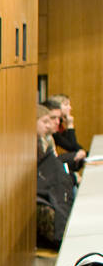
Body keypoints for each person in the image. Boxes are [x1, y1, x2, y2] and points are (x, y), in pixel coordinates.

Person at [36, 103, 75, 250]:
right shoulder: (34, 145)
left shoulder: (47, 140)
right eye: (45, 121)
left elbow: (72, 146)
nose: (50, 125)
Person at [43, 95, 86, 171]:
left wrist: (82, 151)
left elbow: (75, 147)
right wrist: (70, 125)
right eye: (66, 105)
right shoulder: (52, 129)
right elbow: (71, 147)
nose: (70, 108)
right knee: (75, 158)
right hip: (50, 166)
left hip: (53, 163)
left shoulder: (59, 124)